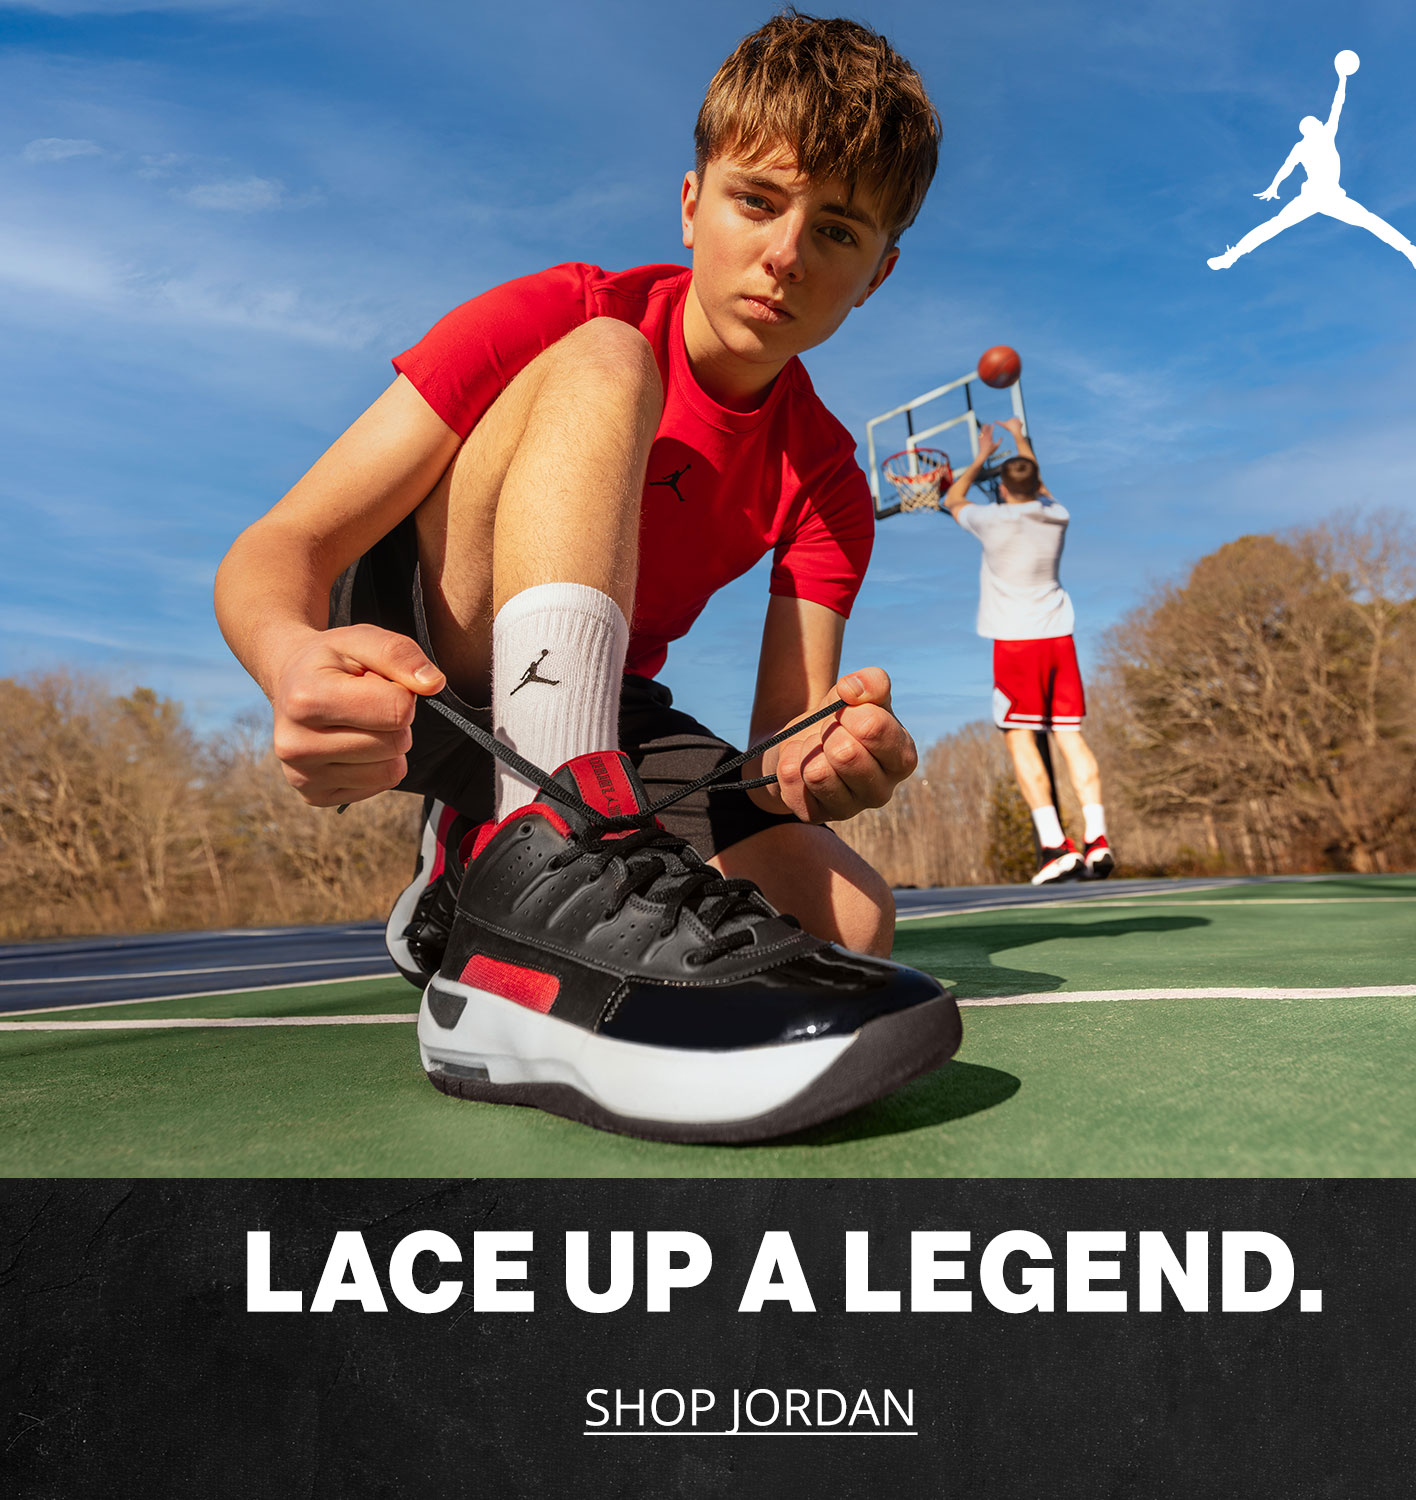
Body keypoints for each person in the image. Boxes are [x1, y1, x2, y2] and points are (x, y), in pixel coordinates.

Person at [214, 13, 960, 1143]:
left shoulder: (828, 482)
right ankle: (545, 871)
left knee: (847, 923)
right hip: (437, 657)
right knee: (616, 362)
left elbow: (778, 753)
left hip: (604, 705)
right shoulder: (565, 312)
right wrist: (288, 655)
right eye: (758, 201)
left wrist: (828, 759)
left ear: (878, 274)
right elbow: (280, 547)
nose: (788, 254)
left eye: (840, 229)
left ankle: (485, 874)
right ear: (692, 203)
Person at [942, 419, 1114, 884]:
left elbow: (952, 499)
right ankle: (1097, 839)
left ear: (1002, 489)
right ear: (1037, 483)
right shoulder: (1058, 516)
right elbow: (1040, 486)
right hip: (1060, 640)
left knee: (1020, 739)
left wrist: (980, 455)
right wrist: (1021, 441)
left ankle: (1056, 846)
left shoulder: (990, 520)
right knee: (1070, 737)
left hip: (1016, 646)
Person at [1207, 52, 1416, 270]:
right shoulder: (1316, 139)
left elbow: (1335, 107)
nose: (1320, 122)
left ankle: (1412, 253)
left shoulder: (1314, 139)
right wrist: (1342, 78)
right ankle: (1231, 256)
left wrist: (1274, 186)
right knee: (1281, 225)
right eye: (1315, 122)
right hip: (1316, 196)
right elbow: (1334, 108)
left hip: (1328, 196)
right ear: (1310, 128)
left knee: (1282, 225)